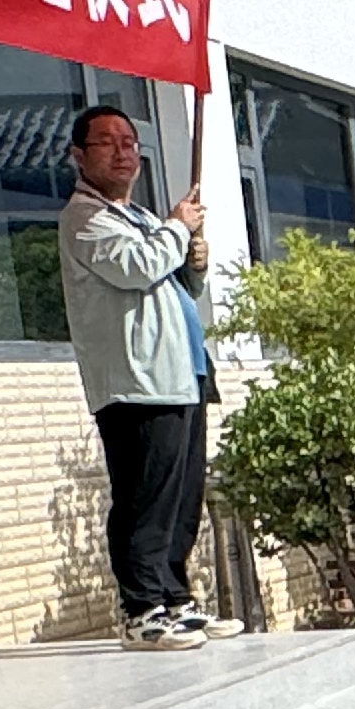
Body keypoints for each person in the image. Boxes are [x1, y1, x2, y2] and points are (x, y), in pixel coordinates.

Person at [58, 106, 234, 650]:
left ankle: (175, 598)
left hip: (181, 371)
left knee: (182, 496)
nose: (123, 152)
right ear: (79, 155)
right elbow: (135, 268)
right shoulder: (85, 218)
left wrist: (193, 262)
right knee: (145, 496)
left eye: (130, 142)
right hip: (137, 381)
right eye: (107, 142)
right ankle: (142, 609)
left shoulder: (136, 216)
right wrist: (177, 227)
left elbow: (175, 284)